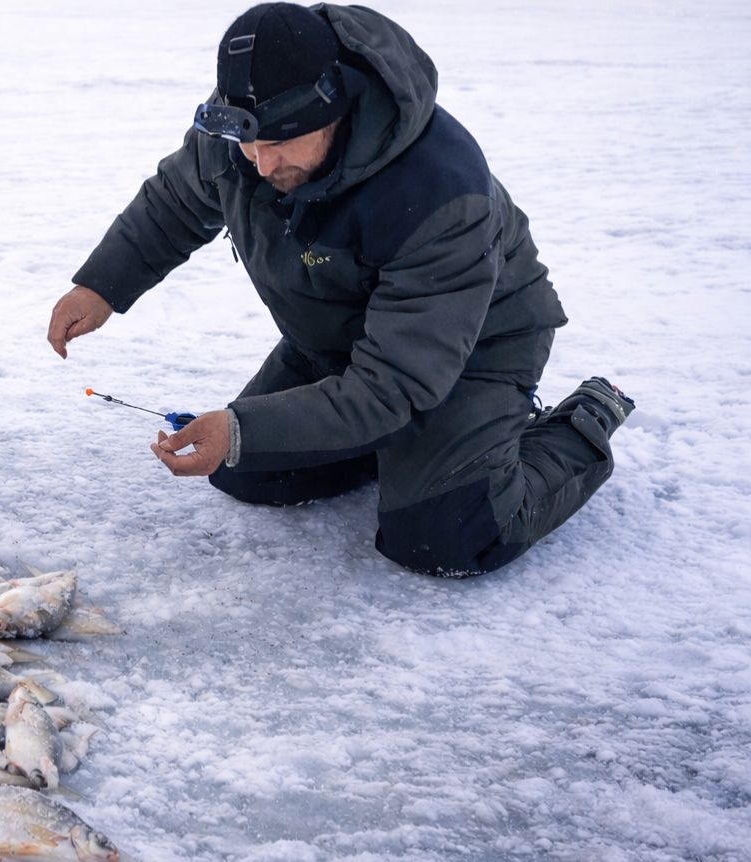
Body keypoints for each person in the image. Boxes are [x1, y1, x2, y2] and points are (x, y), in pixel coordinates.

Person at [46, 2, 634, 577]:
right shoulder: (242, 135)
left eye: (279, 142)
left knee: (440, 537)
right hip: (340, 342)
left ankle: (581, 423)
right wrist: (99, 287)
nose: (258, 161)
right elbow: (174, 204)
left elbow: (393, 384)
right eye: (249, 141)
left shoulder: (440, 193)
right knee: (248, 472)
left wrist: (248, 424)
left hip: (471, 351)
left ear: (332, 109)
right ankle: (403, 447)